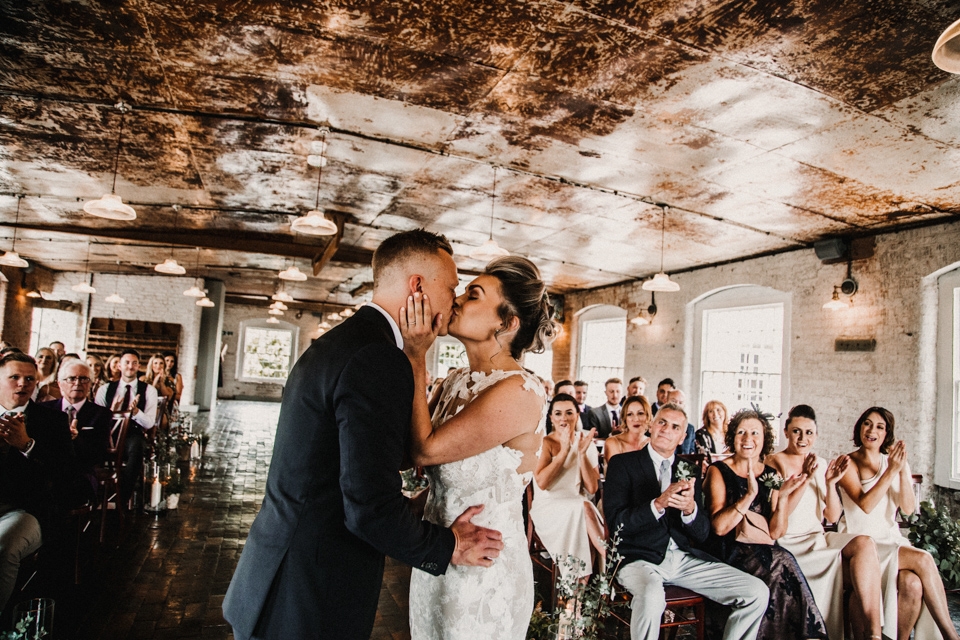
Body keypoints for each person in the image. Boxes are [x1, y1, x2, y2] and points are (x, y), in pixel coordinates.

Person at [223, 230, 503, 640]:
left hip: (281, 569)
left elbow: (353, 464)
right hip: (311, 591)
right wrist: (450, 546)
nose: (453, 299)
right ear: (418, 286)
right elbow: (368, 506)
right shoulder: (378, 358)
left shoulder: (348, 342)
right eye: (450, 286)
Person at [400, 254, 556, 639]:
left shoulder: (519, 391)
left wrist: (416, 354)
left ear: (506, 323)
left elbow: (426, 450)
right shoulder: (455, 380)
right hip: (440, 552)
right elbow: (407, 452)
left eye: (473, 295)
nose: (457, 300)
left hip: (485, 571)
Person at [604, 402, 769, 640]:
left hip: (683, 560)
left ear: (682, 437)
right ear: (651, 425)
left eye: (675, 427)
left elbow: (702, 533)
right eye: (662, 422)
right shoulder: (623, 464)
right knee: (652, 596)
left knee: (756, 592)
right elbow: (618, 523)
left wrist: (690, 510)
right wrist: (658, 504)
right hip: (638, 558)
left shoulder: (688, 469)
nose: (666, 430)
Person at [704, 408, 828, 640]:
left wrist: (781, 499)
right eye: (741, 432)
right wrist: (749, 496)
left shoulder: (770, 474)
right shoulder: (718, 470)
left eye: (755, 433)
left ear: (764, 439)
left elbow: (775, 531)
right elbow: (719, 528)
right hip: (726, 550)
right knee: (782, 560)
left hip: (760, 550)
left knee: (781, 561)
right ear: (732, 437)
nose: (748, 439)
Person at [838, 407, 960, 640]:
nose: (872, 430)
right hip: (861, 544)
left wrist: (902, 469)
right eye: (867, 423)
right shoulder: (847, 462)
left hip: (890, 540)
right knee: (923, 558)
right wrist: (891, 470)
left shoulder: (891, 462)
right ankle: (951, 635)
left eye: (880, 427)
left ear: (887, 434)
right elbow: (865, 505)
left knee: (912, 583)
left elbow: (908, 509)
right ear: (859, 427)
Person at [766, 404, 882, 640]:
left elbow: (832, 517)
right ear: (786, 431)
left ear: (816, 435)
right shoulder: (773, 462)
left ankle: (874, 633)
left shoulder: (819, 462)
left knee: (865, 543)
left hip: (817, 538)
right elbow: (780, 517)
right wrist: (805, 478)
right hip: (789, 543)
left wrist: (829, 484)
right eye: (797, 431)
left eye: (809, 433)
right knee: (854, 574)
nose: (802, 438)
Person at [0, 351, 75, 609]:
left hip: (25, 510)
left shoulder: (51, 420)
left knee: (4, 546)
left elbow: (67, 473)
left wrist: (27, 445)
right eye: (15, 377)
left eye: (30, 379)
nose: (23, 384)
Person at [530, 393, 603, 579]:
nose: (564, 418)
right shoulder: (545, 442)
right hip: (549, 506)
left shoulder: (585, 441)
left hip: (576, 505)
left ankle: (574, 601)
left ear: (577, 415)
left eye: (569, 412)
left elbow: (592, 488)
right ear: (551, 417)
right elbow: (543, 483)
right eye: (558, 413)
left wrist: (581, 454)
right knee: (584, 507)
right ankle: (610, 558)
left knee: (584, 507)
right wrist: (563, 452)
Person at [94, 349, 158, 506]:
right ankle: (93, 496)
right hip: (107, 435)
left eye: (134, 363)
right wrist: (112, 412)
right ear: (119, 366)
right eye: (127, 363)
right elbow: (96, 420)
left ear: (139, 366)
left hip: (132, 435)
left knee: (137, 448)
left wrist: (135, 412)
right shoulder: (105, 389)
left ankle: (121, 499)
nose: (130, 366)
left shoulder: (149, 390)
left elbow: (149, 423)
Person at [43, 360, 112, 506]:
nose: (77, 383)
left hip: (81, 472)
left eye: (84, 379)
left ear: (91, 384)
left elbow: (99, 454)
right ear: (59, 383)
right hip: (46, 471)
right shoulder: (44, 410)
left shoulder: (101, 414)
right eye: (71, 378)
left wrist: (77, 438)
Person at [604, 395, 651, 465]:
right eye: (630, 414)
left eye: (640, 413)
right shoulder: (613, 443)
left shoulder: (653, 444)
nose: (635, 419)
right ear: (625, 418)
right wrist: (641, 454)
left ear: (648, 416)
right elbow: (618, 474)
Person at [666, 389, 696, 455]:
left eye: (680, 403)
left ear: (684, 406)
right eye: (674, 401)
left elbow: (692, 453)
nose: (677, 405)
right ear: (666, 402)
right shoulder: (659, 425)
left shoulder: (690, 429)